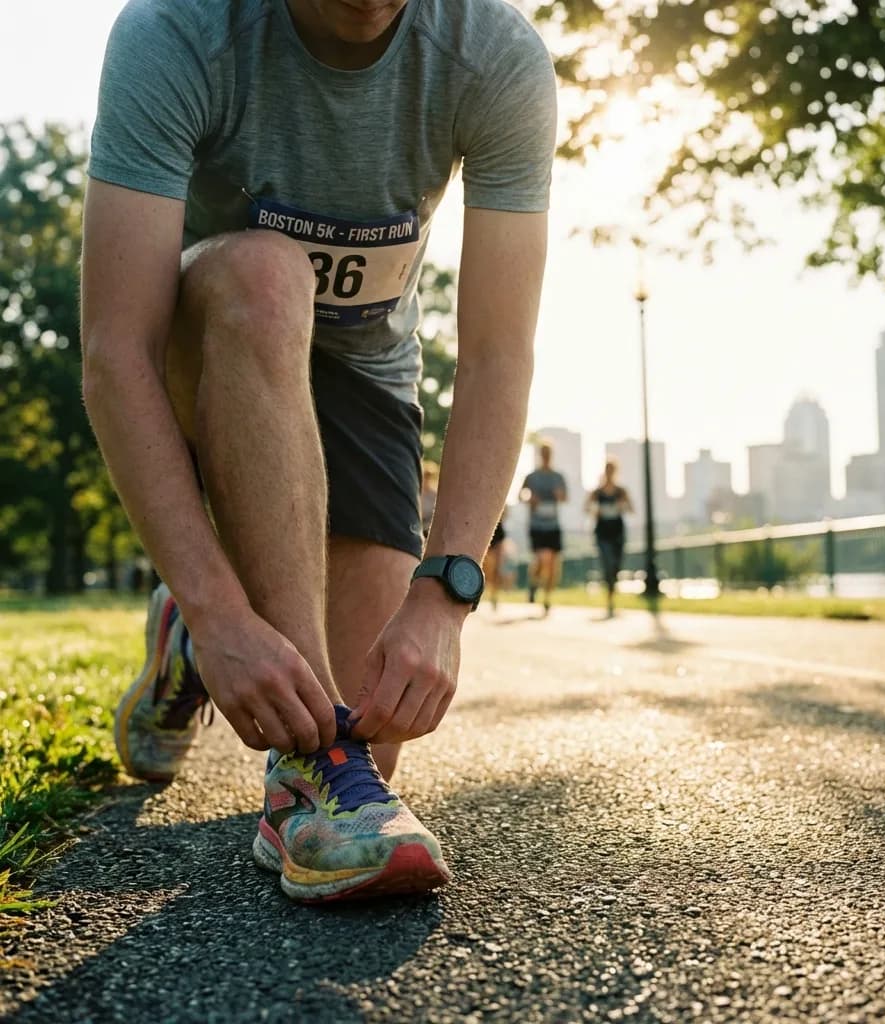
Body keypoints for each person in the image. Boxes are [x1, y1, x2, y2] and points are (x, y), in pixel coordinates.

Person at [81, 0, 555, 903]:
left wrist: (444, 594)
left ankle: (186, 637)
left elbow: (498, 350)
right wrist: (226, 612)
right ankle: (250, 684)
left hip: (369, 373)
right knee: (266, 274)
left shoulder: (495, 55)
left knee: (365, 717)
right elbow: (117, 353)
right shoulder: (177, 32)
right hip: (210, 340)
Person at [519, 441, 566, 614]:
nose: (546, 456)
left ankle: (547, 598)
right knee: (541, 560)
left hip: (553, 525)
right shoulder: (532, 476)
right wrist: (530, 499)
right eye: (543, 453)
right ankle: (534, 583)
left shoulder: (558, 477)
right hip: (537, 525)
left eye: (548, 453)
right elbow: (520, 495)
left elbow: (565, 498)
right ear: (540, 454)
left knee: (553, 564)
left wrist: (560, 496)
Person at [585, 459, 634, 616]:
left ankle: (612, 593)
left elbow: (632, 509)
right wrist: (595, 511)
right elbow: (586, 508)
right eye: (607, 469)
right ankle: (610, 600)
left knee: (616, 566)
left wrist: (622, 506)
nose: (609, 472)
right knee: (607, 563)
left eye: (612, 469)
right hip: (602, 533)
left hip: (618, 533)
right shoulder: (597, 492)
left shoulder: (621, 491)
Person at [483, 511, 507, 611]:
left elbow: (505, 513)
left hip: (497, 528)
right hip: (482, 528)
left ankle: (494, 595)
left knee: (497, 568)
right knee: (485, 567)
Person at [421, 459, 440, 539]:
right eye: (425, 476)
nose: (427, 479)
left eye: (429, 476)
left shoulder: (435, 494)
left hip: (429, 527)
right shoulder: (418, 493)